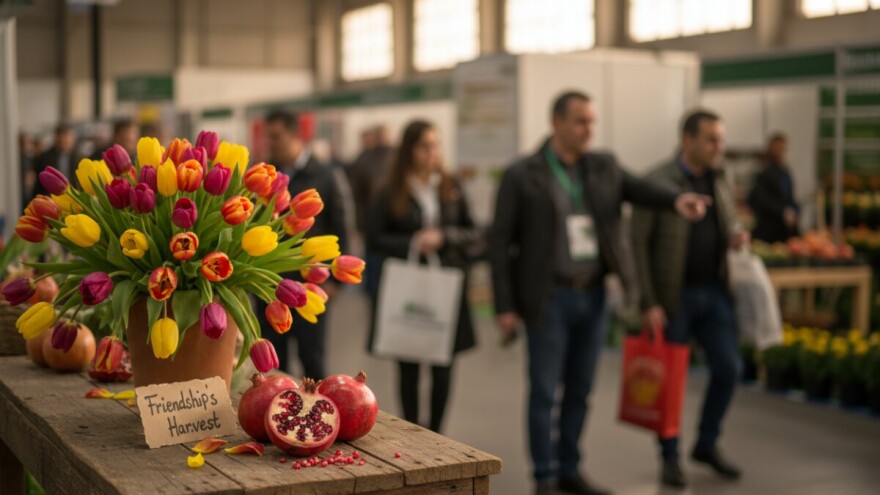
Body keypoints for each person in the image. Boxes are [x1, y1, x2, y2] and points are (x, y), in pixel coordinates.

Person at [489, 91, 710, 495]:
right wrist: (504, 306)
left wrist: (677, 199)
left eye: (592, 122)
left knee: (581, 389)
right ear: (556, 123)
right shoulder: (523, 174)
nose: (589, 129)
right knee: (543, 391)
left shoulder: (602, 167)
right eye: (580, 122)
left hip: (591, 296)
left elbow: (640, 187)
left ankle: (570, 467)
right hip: (548, 298)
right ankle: (544, 477)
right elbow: (499, 242)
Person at [631, 110, 748, 489]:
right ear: (688, 140)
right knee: (669, 381)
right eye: (711, 139)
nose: (719, 147)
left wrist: (734, 235)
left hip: (714, 291)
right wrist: (648, 301)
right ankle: (669, 456)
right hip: (672, 297)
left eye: (720, 139)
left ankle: (707, 442)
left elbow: (728, 220)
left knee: (729, 367)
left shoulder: (721, 177)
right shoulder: (659, 182)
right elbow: (638, 244)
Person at [367, 120, 481, 433]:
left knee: (444, 364)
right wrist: (413, 242)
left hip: (445, 288)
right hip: (407, 287)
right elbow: (375, 238)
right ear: (409, 150)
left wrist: (444, 237)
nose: (433, 152)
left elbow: (474, 232)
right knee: (409, 365)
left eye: (436, 145)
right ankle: (414, 431)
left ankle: (438, 433)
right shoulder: (391, 189)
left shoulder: (450, 185)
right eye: (424, 146)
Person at [259, 110, 348, 379]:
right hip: (270, 283)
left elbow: (340, 225)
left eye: (276, 137)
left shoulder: (325, 174)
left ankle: (317, 412)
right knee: (276, 360)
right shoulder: (265, 174)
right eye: (268, 137)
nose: (270, 143)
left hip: (311, 282)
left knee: (312, 357)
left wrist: (335, 281)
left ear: (295, 135)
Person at [748, 132, 799, 243]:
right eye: (778, 148)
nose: (781, 151)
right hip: (768, 230)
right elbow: (760, 199)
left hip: (785, 231)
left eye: (783, 148)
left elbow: (790, 198)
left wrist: (794, 211)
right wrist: (782, 212)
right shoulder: (764, 173)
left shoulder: (786, 173)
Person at [32, 123, 79, 198]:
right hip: (52, 198)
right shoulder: (45, 157)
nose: (63, 140)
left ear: (72, 138)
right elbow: (39, 184)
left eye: (66, 136)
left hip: (74, 198)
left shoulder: (79, 157)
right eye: (60, 136)